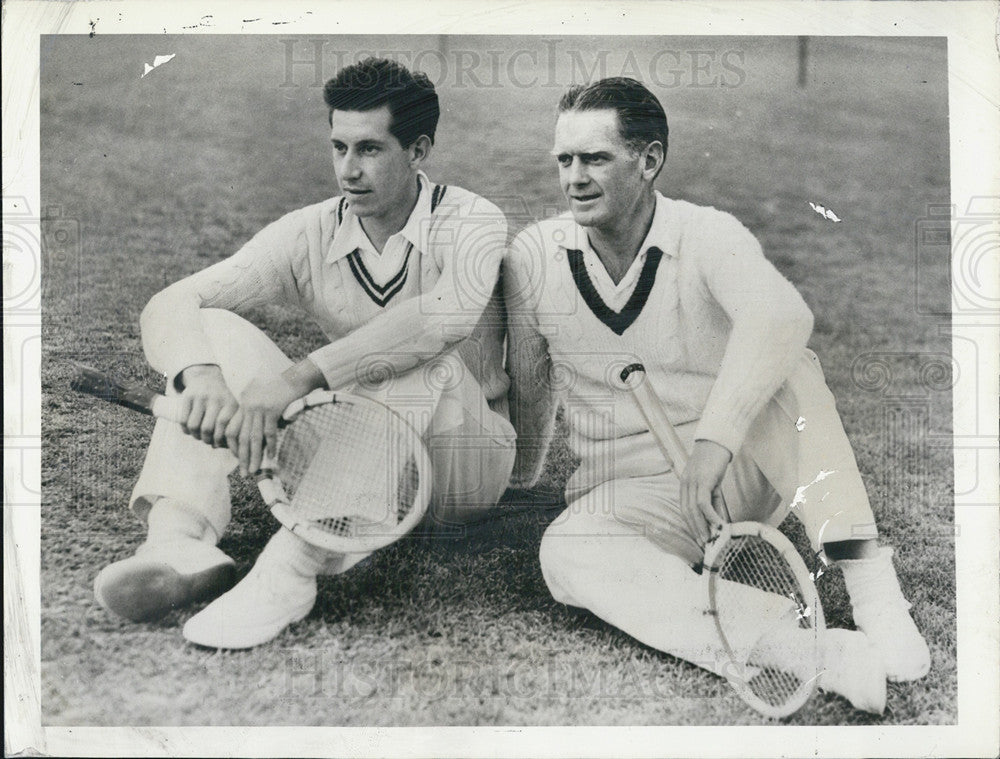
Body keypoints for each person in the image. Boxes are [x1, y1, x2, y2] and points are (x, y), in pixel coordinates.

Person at [504, 77, 930, 714]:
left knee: (792, 368)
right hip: (631, 494)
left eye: (596, 158)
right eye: (564, 159)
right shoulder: (535, 255)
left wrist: (712, 445)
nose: (574, 178)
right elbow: (529, 377)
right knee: (565, 553)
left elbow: (782, 317)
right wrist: (518, 475)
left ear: (649, 161)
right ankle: (805, 647)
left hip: (736, 474)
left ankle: (871, 585)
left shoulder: (706, 233)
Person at [93, 57, 515, 649]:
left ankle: (290, 571)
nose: (348, 169)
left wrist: (298, 378)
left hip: (461, 468)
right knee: (213, 329)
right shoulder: (310, 229)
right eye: (338, 147)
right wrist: (203, 378)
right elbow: (174, 302)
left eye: (369, 149)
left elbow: (440, 319)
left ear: (418, 151)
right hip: (353, 448)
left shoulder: (473, 219)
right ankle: (179, 538)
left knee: (422, 358)